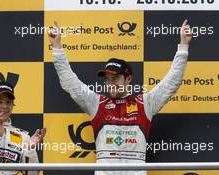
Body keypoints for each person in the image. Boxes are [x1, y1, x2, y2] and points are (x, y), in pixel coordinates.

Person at [48, 20, 192, 175]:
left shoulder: (145, 104)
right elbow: (70, 83)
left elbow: (171, 83)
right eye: (108, 80)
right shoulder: (97, 104)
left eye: (115, 79)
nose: (110, 84)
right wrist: (57, 47)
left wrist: (183, 47)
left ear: (128, 79)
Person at [0, 81, 46, 175]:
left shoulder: (23, 136)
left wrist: (29, 150)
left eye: (8, 102)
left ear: (12, 106)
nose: (5, 106)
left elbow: (32, 174)